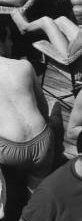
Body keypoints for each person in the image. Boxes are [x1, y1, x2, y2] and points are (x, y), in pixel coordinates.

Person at [0, 28, 55, 211]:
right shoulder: (23, 66)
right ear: (2, 42)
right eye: (10, 39)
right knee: (37, 197)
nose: (12, 44)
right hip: (43, 142)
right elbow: (43, 106)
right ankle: (36, 214)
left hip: (9, 150)